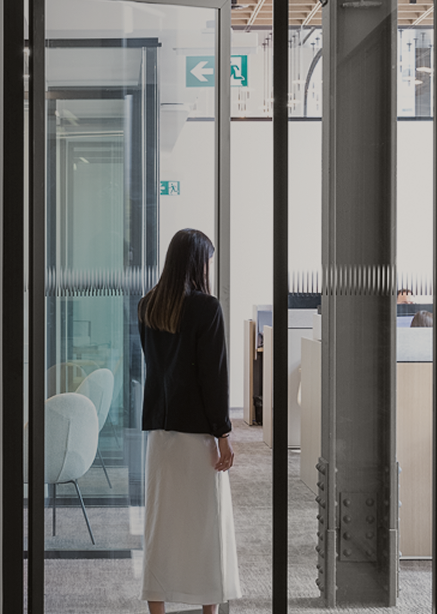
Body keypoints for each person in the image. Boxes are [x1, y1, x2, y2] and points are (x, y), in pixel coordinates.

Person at [135, 228, 240, 613]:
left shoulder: (148, 305)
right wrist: (223, 434)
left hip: (160, 437)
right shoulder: (206, 307)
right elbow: (213, 377)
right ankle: (207, 610)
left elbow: (154, 369)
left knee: (160, 527)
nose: (209, 267)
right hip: (197, 437)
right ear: (198, 261)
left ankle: (157, 609)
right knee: (205, 527)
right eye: (208, 259)